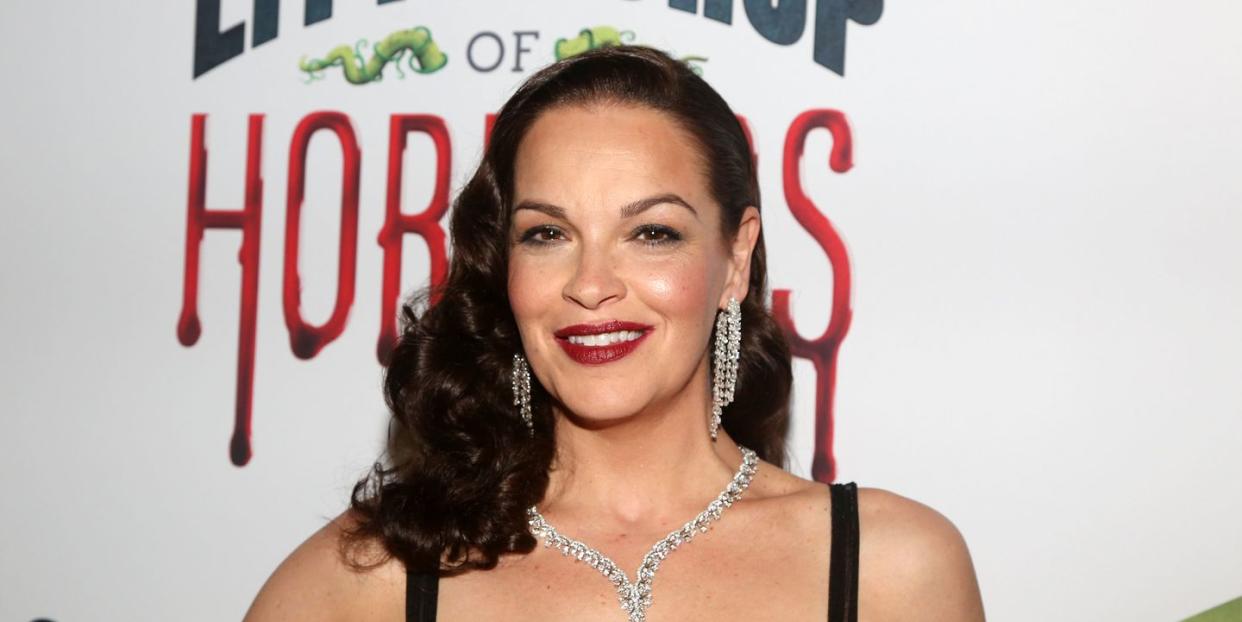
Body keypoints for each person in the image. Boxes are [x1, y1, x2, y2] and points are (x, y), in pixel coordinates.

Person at [243, 44, 985, 621]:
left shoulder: (891, 570)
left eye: (652, 232)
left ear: (735, 258)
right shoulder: (374, 580)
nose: (591, 284)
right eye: (546, 234)